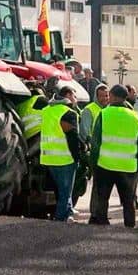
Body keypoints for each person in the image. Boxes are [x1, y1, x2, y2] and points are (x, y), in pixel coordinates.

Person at [88, 84, 138, 228]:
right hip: (128, 167)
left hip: (105, 165)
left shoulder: (104, 114)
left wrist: (93, 164)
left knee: (103, 199)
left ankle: (102, 226)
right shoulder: (135, 116)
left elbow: (95, 142)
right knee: (128, 202)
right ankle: (130, 228)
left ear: (113, 96)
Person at [42, 85, 84, 221]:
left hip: (48, 158)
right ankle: (60, 222)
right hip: (65, 159)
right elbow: (72, 138)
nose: (75, 99)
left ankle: (68, 214)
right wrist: (77, 157)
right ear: (67, 95)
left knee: (61, 193)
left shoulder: (47, 110)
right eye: (74, 95)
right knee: (65, 194)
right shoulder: (69, 113)